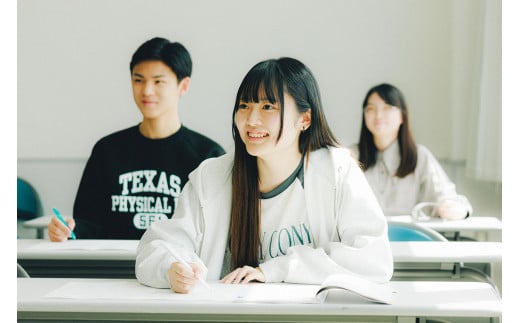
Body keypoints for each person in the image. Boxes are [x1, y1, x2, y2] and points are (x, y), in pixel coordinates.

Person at [135, 57, 393, 294]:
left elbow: (373, 260)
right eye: (244, 106)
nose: (251, 120)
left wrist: (275, 270)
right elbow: (157, 246)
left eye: (268, 106)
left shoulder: (336, 171)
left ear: (305, 119)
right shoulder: (212, 177)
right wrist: (173, 268)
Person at [47, 37, 225, 241]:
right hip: (111, 267)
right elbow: (88, 223)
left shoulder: (208, 156)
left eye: (158, 81)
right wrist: (67, 230)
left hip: (180, 268)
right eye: (138, 80)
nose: (147, 90)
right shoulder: (107, 150)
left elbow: (216, 231)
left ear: (183, 86)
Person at [349, 83, 472, 220]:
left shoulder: (418, 156)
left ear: (402, 116)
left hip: (408, 238)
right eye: (371, 109)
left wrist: (454, 209)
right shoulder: (351, 156)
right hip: (364, 239)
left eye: (387, 108)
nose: (378, 115)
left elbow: (447, 198)